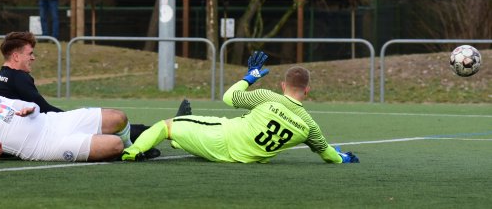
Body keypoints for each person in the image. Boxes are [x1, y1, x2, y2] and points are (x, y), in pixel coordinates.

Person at [122, 51, 359, 164]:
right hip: (238, 158)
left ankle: (132, 151)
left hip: (218, 137)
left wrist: (250, 77)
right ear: (307, 91)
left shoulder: (268, 97)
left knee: (165, 126)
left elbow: (229, 97)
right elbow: (328, 155)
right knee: (181, 132)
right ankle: (181, 134)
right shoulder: (310, 127)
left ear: (283, 85)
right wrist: (345, 158)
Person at [0, 70, 131, 162]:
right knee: (115, 145)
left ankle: (133, 148)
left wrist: (30, 109)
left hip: (54, 121)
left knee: (118, 117)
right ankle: (131, 149)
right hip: (47, 146)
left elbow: (30, 106)